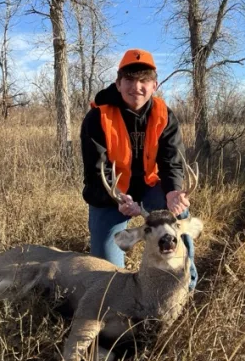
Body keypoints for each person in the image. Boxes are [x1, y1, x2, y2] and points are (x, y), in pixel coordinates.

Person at [80, 48, 198, 290]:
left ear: (154, 85)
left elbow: (172, 161)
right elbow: (95, 173)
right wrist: (119, 199)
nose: (137, 87)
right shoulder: (97, 117)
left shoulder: (164, 115)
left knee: (180, 214)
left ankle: (187, 284)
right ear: (118, 83)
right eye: (130, 80)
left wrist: (173, 191)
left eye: (144, 80)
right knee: (107, 274)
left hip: (151, 189)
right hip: (112, 196)